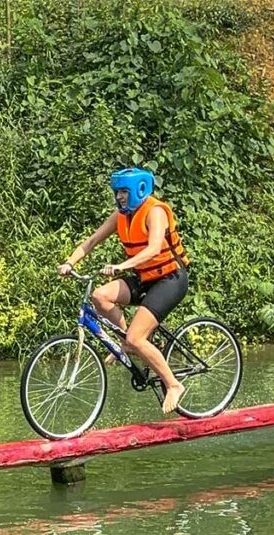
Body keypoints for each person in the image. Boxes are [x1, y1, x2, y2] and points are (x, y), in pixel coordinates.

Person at [56, 168, 190, 413]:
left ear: (140, 190)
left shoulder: (155, 211)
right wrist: (69, 262)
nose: (119, 198)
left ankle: (173, 384)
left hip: (170, 279)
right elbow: (92, 241)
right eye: (117, 192)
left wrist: (121, 266)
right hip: (145, 277)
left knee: (137, 337)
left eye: (124, 193)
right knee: (100, 296)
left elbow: (152, 249)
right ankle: (129, 343)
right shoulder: (120, 216)